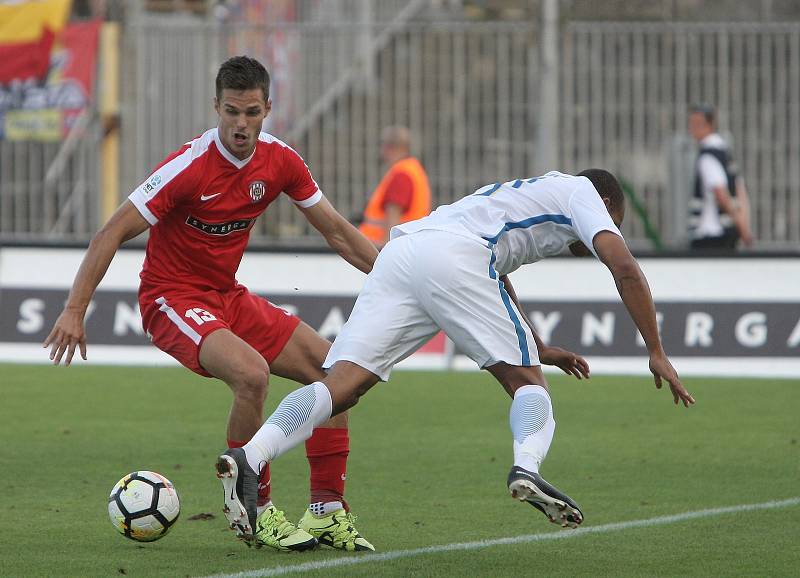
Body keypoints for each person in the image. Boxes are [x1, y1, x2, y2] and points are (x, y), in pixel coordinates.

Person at [215, 169, 696, 537]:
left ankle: (251, 455)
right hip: (457, 257)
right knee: (528, 387)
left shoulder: (529, 193)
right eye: (616, 221)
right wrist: (655, 351)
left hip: (405, 251)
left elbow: (496, 275)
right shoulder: (586, 194)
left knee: (338, 385)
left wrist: (538, 345)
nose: (607, 230)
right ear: (608, 203)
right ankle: (527, 468)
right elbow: (625, 267)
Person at [43, 56, 378, 551]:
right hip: (170, 297)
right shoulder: (189, 166)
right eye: (231, 112)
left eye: (251, 113)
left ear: (268, 108)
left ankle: (327, 509)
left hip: (226, 295)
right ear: (215, 107)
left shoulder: (281, 160)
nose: (240, 125)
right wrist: (74, 310)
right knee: (252, 375)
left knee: (333, 374)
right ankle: (254, 506)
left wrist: (399, 279)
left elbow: (335, 230)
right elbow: (110, 232)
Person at [687, 103, 753, 250]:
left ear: (710, 124)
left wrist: (743, 229)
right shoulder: (725, 154)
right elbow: (739, 189)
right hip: (725, 232)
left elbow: (720, 193)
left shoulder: (708, 156)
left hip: (710, 234)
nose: (691, 129)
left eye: (696, 124)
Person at [359, 125, 431, 247]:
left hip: (384, 248)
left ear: (390, 147)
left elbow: (393, 214)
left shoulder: (402, 174)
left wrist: (386, 248)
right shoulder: (413, 170)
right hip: (408, 245)